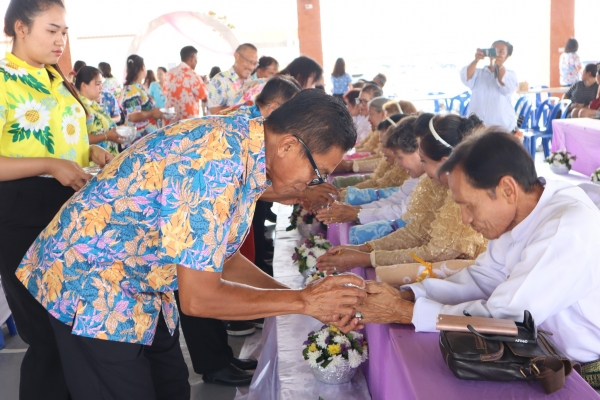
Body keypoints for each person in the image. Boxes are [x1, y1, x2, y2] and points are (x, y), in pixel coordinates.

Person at [15, 89, 366, 399]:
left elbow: (219, 258)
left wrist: (301, 298)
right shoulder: (214, 164)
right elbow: (200, 298)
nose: (314, 183)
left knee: (170, 387)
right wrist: (303, 302)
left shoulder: (248, 147)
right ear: (288, 145)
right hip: (91, 280)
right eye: (317, 172)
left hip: (142, 281)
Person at [353, 131, 600, 389]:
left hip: (581, 375)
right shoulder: (522, 212)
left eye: (469, 206)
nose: (465, 219)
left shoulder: (565, 229)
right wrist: (408, 295)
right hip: (538, 354)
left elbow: (505, 319)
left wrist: (404, 312)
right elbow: (483, 277)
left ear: (507, 189)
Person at [0, 1, 113, 398]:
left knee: (73, 332)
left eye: (63, 31)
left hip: (69, 212)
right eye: (51, 30)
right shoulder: (3, 79)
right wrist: (50, 164)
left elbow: (62, 140)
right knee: (46, 335)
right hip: (21, 213)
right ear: (20, 28)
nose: (60, 40)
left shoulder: (56, 78)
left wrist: (89, 153)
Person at [177, 76, 303, 387]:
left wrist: (294, 297)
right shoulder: (228, 144)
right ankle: (214, 362)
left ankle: (220, 357)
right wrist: (299, 302)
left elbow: (226, 260)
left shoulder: (252, 133)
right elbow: (198, 298)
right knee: (202, 286)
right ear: (273, 108)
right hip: (117, 279)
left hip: (187, 255)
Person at [317, 113, 486, 273]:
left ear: (444, 162)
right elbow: (415, 232)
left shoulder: (466, 196)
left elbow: (437, 253)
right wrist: (364, 249)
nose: (423, 167)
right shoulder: (434, 182)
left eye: (423, 160)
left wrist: (368, 258)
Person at [317, 116, 421, 227]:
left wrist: (356, 212)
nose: (398, 164)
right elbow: (395, 199)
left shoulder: (418, 175)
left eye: (399, 156)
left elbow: (401, 210)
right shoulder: (416, 175)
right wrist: (356, 210)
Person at [460, 40, 518, 132]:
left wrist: (499, 66)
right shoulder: (479, 73)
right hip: (476, 126)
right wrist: (476, 60)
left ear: (507, 56)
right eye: (494, 50)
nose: (497, 53)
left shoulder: (510, 75)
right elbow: (466, 78)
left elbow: (505, 86)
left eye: (501, 51)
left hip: (501, 126)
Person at [75, 66, 124, 156]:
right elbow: (79, 138)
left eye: (101, 83)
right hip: (96, 160)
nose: (101, 87)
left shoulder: (93, 104)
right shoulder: (79, 108)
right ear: (84, 86)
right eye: (98, 84)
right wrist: (106, 136)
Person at [121, 54, 163, 144]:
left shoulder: (138, 87)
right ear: (142, 68)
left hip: (147, 139)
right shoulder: (132, 89)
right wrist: (153, 112)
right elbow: (133, 116)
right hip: (140, 141)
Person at [207, 43, 258, 114]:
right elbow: (215, 113)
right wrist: (245, 107)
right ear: (237, 56)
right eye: (249, 61)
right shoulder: (219, 80)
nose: (251, 67)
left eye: (255, 64)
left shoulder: (253, 82)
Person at [163, 46, 207, 124]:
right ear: (192, 58)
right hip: (187, 123)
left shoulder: (169, 73)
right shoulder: (192, 74)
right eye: (196, 59)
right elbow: (204, 97)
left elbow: (165, 92)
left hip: (170, 122)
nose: (196, 62)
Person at [355, 84, 384, 152]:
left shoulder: (376, 124)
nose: (360, 105)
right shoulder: (363, 118)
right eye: (359, 101)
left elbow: (370, 150)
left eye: (364, 102)